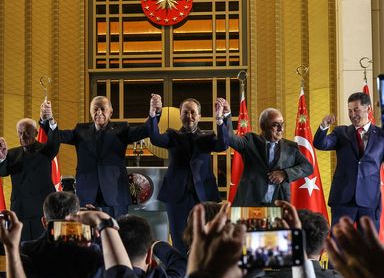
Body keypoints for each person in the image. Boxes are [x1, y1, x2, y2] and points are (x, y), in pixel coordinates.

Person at [40, 95, 162, 218]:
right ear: (90, 112)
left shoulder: (122, 129)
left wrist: (153, 113)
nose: (99, 112)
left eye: (103, 109)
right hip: (87, 194)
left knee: (116, 232)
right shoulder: (80, 130)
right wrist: (49, 120)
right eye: (95, 109)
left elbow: (145, 130)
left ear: (111, 112)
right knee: (89, 233)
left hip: (115, 195)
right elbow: (58, 135)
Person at [147, 97, 231, 254]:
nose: (189, 116)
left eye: (193, 112)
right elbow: (155, 138)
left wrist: (220, 120)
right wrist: (153, 115)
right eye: (185, 112)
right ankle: (180, 273)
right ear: (180, 115)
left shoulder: (208, 137)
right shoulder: (172, 136)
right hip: (176, 197)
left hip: (203, 196)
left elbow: (223, 144)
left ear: (199, 116)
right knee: (179, 239)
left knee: (204, 237)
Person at [313, 92, 384, 230]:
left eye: (356, 110)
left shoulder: (381, 135)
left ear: (368, 109)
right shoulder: (341, 132)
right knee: (339, 245)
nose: (352, 114)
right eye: (350, 110)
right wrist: (323, 127)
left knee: (368, 246)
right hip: (342, 199)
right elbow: (321, 144)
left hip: (369, 200)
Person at [221, 100, 313, 206]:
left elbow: (307, 167)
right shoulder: (250, 141)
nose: (280, 129)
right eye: (275, 125)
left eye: (282, 124)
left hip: (279, 204)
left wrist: (285, 174)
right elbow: (230, 139)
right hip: (250, 203)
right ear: (263, 126)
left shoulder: (291, 147)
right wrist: (227, 114)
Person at [0, 114, 60, 241]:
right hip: (20, 211)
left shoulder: (46, 150)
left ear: (35, 132)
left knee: (43, 247)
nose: (23, 137)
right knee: (21, 248)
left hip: (42, 211)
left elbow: (54, 142)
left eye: (27, 133)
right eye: (20, 133)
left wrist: (50, 120)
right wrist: (2, 157)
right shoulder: (12, 153)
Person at [20, 191, 103, 278]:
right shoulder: (93, 252)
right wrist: (101, 224)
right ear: (78, 219)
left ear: (44, 222)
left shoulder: (25, 250)